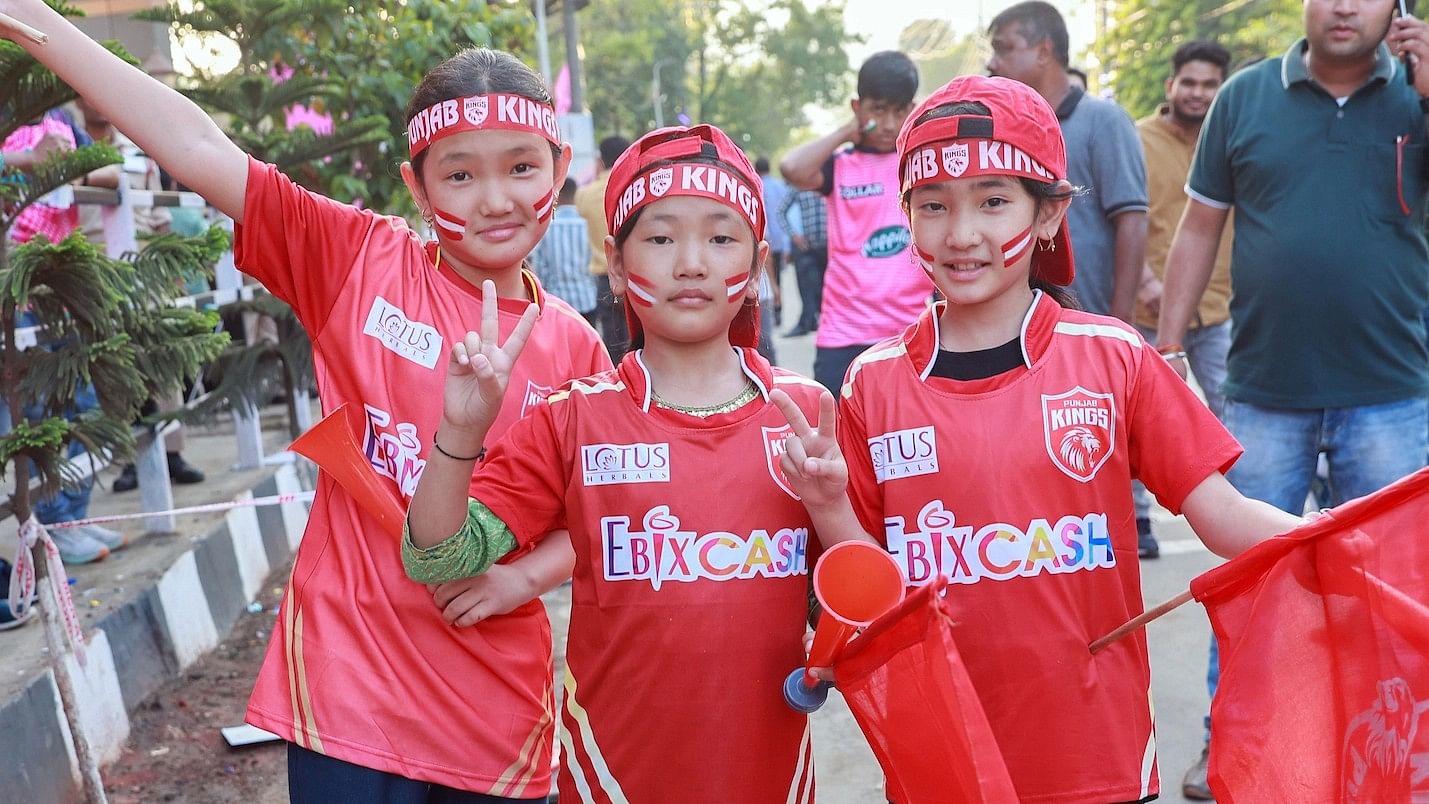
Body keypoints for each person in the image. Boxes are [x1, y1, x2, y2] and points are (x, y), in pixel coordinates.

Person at [1, 6, 613, 801]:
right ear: (418, 187)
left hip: (493, 708)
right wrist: (31, 17)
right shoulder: (355, 261)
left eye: (521, 167)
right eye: (460, 173)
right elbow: (196, 147)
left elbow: (592, 518)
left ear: (558, 166)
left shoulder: (578, 351)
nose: (495, 198)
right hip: (347, 688)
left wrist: (518, 580)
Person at [772, 74, 1306, 803]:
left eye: (993, 202)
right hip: (940, 756)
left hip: (1097, 756)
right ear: (905, 217)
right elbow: (870, 593)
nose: (960, 235)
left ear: (1050, 214)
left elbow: (1224, 517)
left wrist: (1347, 538)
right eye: (932, 207)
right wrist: (828, 504)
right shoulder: (872, 382)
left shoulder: (1113, 355)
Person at [403, 124, 828, 802]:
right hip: (610, 778)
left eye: (721, 238)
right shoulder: (574, 417)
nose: (690, 262)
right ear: (618, 263)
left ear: (756, 268)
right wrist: (460, 430)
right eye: (659, 238)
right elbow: (438, 557)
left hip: (772, 778)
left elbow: (853, 599)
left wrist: (831, 514)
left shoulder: (806, 414)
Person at [1158, 1, 1429, 798]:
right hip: (1264, 390)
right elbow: (1200, 226)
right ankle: (1230, 749)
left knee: (1396, 589)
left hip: (1389, 393)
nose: (1344, 5)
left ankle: (1401, 752)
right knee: (1255, 583)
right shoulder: (1243, 97)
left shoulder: (1415, 99)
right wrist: (1169, 349)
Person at [988, 0, 1157, 557]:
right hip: (1022, 323)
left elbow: (1131, 219)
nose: (994, 61)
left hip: (1091, 314)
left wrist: (1120, 314)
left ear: (1043, 50)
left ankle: (1132, 520)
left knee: (1101, 438)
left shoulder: (1103, 121)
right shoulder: (1004, 132)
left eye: (1004, 47)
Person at [73, 96, 208, 493]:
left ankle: (172, 452)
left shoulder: (137, 149)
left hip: (148, 271)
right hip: (98, 271)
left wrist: (173, 272)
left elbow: (161, 216)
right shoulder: (73, 148)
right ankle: (130, 459)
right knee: (117, 369)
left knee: (163, 361)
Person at [780, 50, 929, 392]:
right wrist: (847, 132)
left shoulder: (920, 166)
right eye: (878, 110)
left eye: (900, 111)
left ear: (912, 109)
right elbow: (791, 168)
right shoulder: (841, 165)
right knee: (838, 438)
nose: (890, 123)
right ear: (857, 107)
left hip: (911, 333)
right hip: (843, 335)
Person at [575, 135, 632, 359]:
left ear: (600, 161)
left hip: (603, 277)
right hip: (637, 277)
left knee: (612, 338)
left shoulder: (584, 195)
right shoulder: (635, 191)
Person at [528, 177, 598, 324]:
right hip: (587, 299)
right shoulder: (587, 225)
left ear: (556, 195)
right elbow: (594, 261)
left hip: (558, 303)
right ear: (575, 195)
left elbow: (541, 269)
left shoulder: (547, 228)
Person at [780, 189, 828, 337]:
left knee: (827, 288)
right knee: (807, 287)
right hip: (809, 247)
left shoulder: (830, 179)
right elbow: (780, 212)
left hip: (831, 247)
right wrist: (794, 236)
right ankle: (807, 321)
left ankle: (822, 321)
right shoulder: (799, 186)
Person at [756, 155, 791, 323]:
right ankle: (779, 310)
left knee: (768, 279)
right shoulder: (780, 186)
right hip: (780, 241)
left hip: (765, 240)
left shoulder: (757, 186)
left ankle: (772, 309)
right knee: (778, 277)